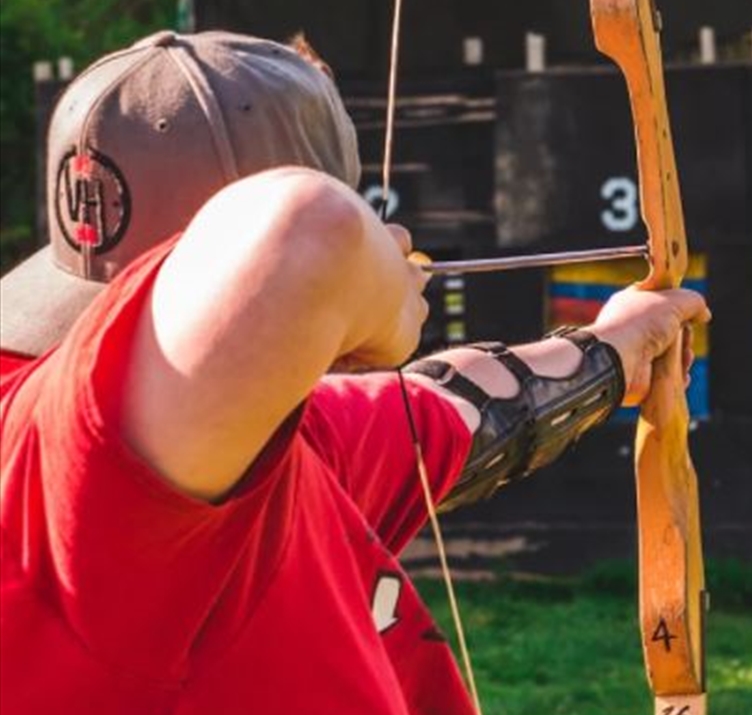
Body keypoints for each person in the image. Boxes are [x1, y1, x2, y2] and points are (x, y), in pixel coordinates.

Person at [0, 31, 710, 714]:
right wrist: (386, 313)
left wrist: (617, 348)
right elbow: (306, 232)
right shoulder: (79, 473)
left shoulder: (276, 446)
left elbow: (468, 408)